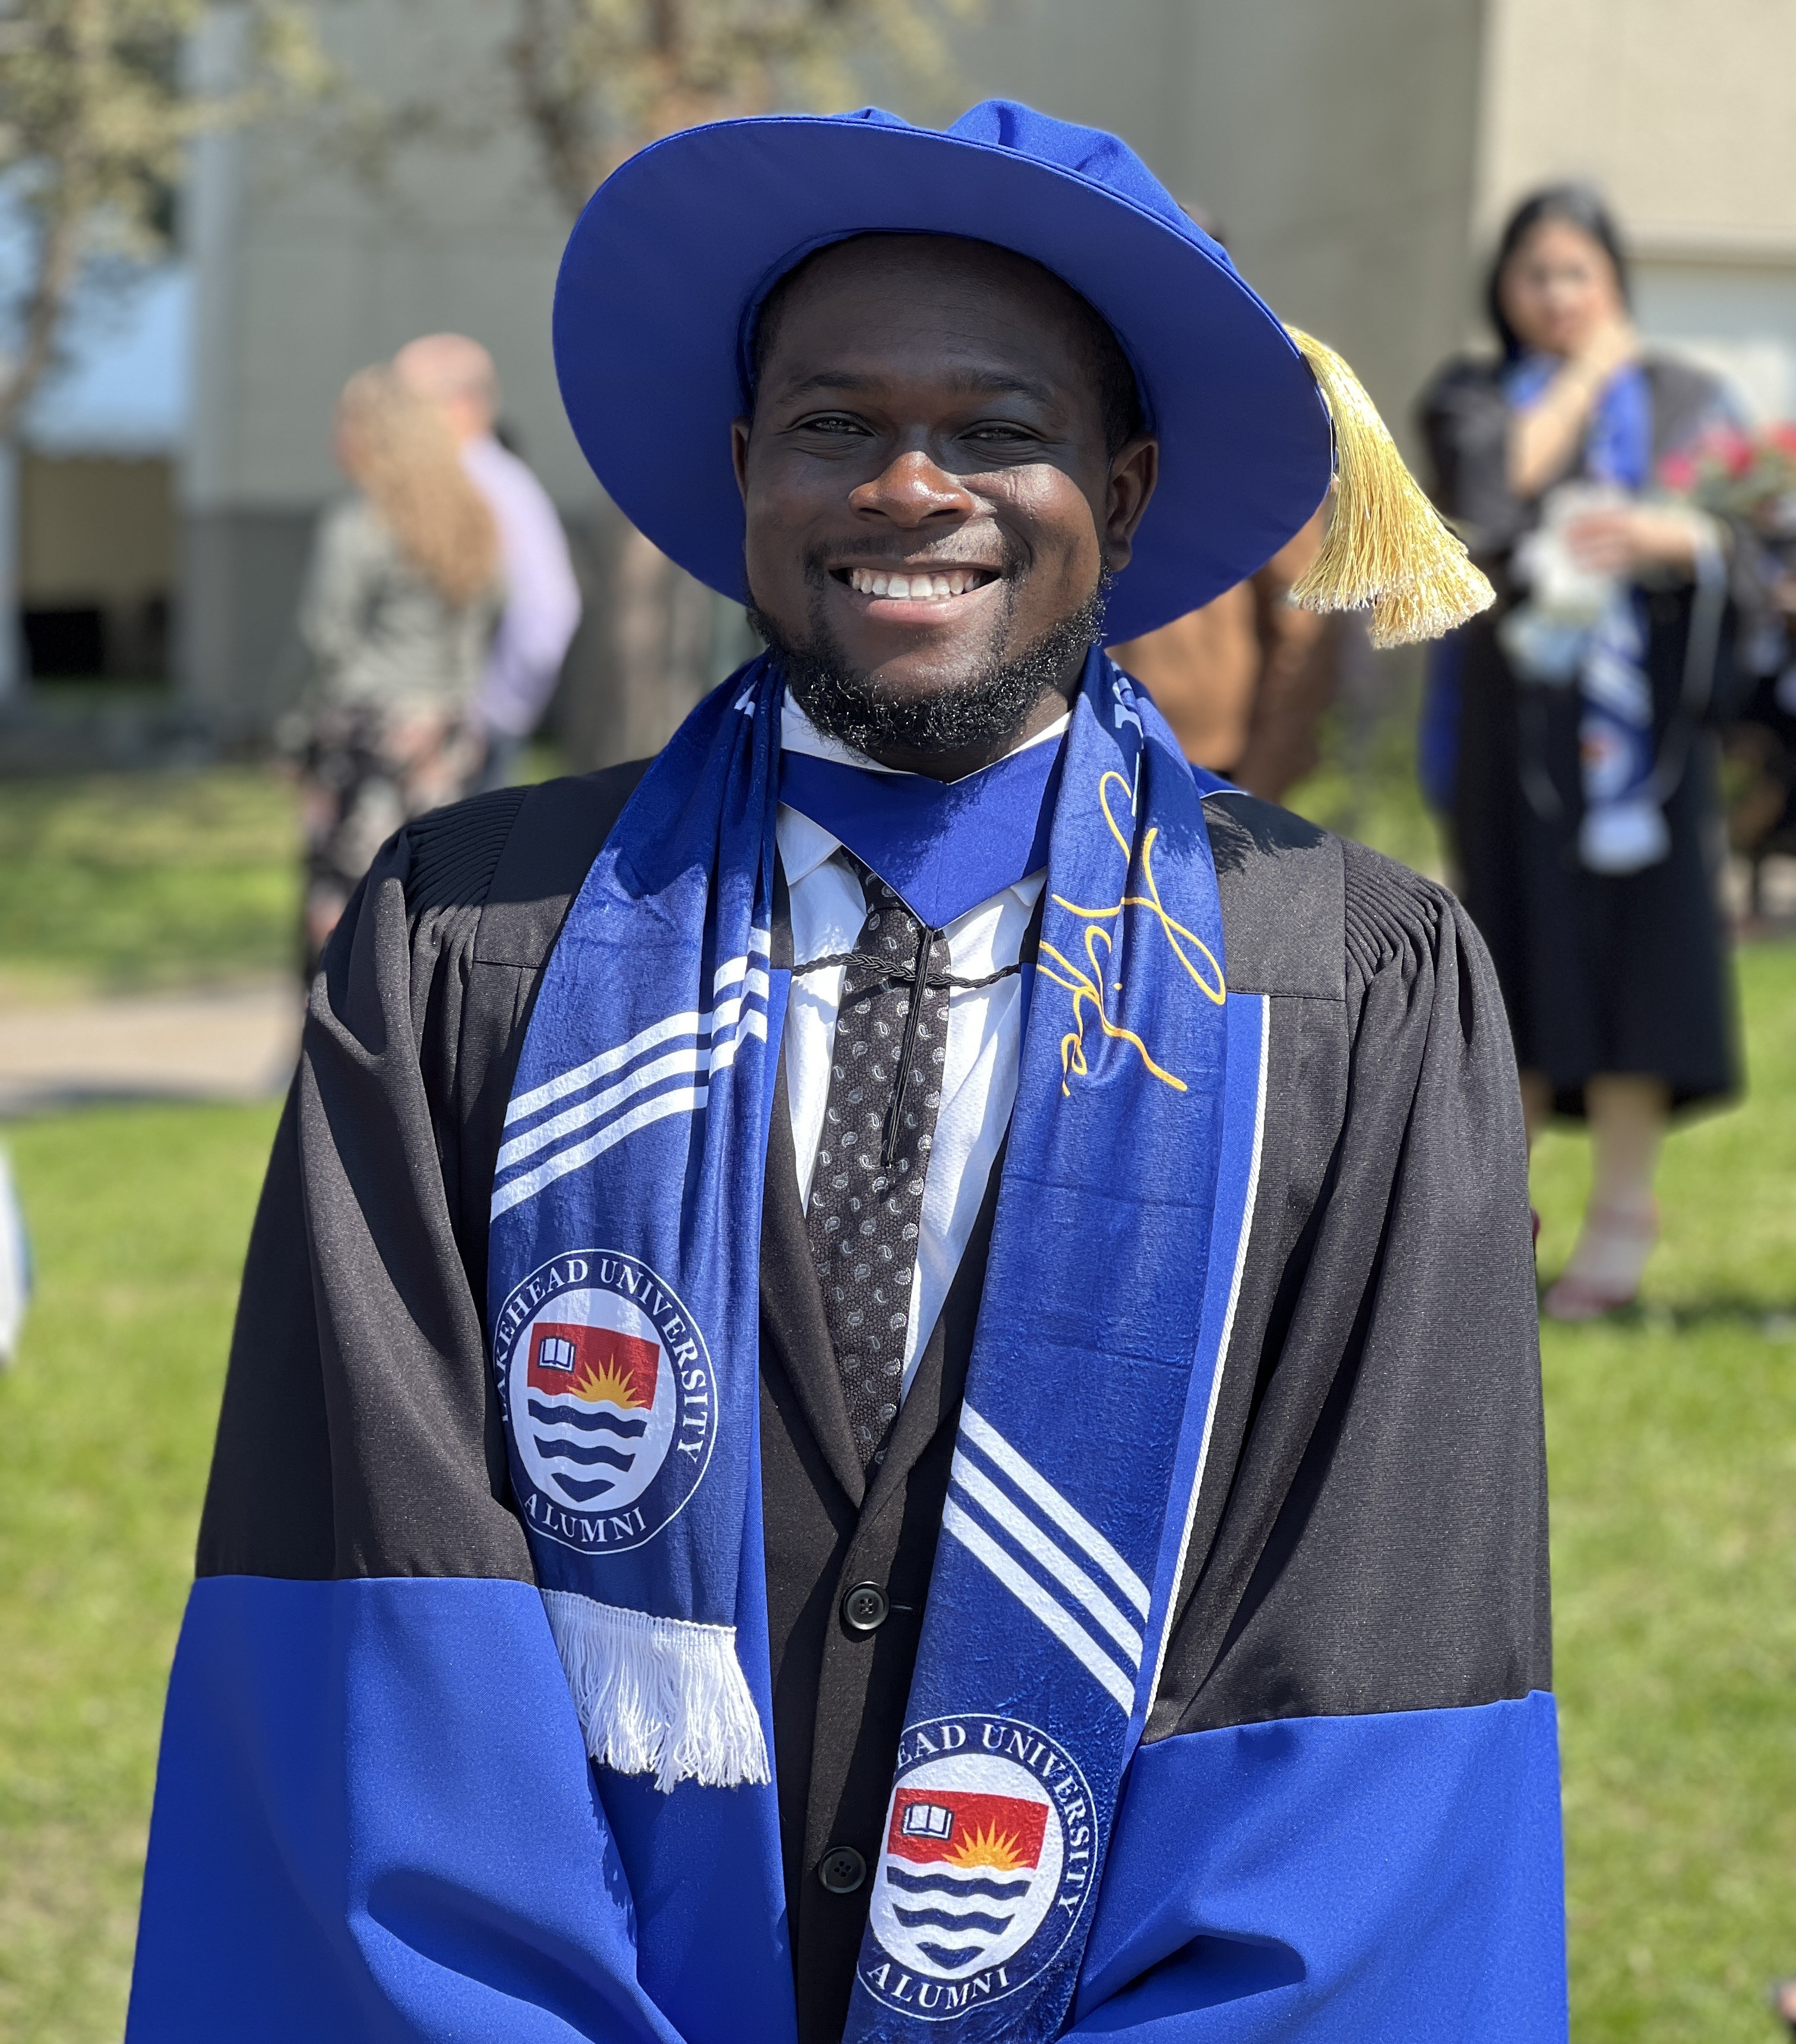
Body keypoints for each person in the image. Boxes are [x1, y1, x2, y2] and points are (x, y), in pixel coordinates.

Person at [128, 104, 1562, 2043]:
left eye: (994, 430)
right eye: (832, 426)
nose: (908, 487)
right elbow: (377, 1609)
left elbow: (1377, 1643)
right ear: (741, 473)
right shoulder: (471, 940)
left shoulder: (1348, 982)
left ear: (1122, 492)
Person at [1419, 185, 1740, 1321]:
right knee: (1503, 966)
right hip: (1516, 739)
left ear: (1613, 277)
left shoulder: (1689, 400)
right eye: (1532, 273)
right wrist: (1588, 375)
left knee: (1633, 966)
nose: (1554, 294)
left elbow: (1754, 543)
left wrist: (1676, 535)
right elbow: (1489, 492)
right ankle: (1485, 1221)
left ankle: (1619, 1213)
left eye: (1574, 271)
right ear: (1500, 289)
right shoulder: (1467, 395)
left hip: (1645, 749)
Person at [286, 363, 502, 970]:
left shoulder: (359, 523)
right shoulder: (470, 520)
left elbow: (324, 638)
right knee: (428, 908)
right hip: (445, 733)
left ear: (372, 435)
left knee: (341, 906)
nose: (335, 437)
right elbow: (483, 622)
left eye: (345, 423)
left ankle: (331, 1049)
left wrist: (296, 736)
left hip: (368, 734)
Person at [393, 332, 584, 788]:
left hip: (467, 736)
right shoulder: (454, 483)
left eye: (406, 404)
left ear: (460, 404)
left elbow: (549, 610)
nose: (394, 421)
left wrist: (494, 715)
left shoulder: (495, 487)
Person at [1108, 507, 1339, 799]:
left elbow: (1302, 627)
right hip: (1091, 734)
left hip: (1206, 758)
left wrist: (1261, 781)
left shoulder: (1262, 470)